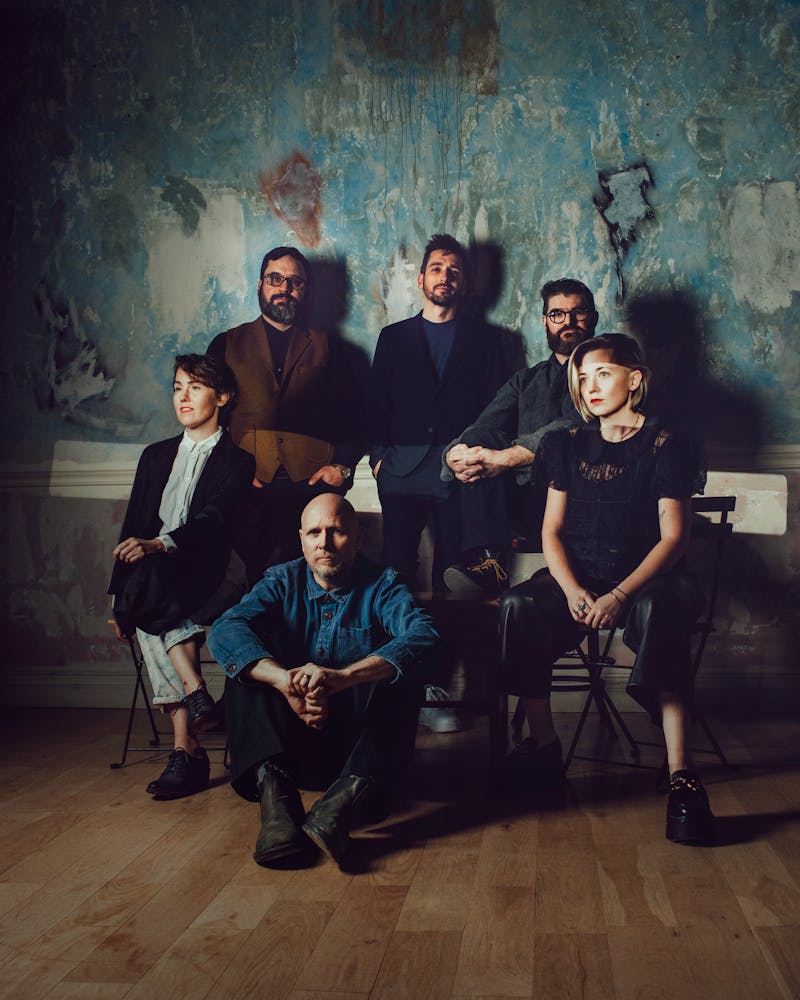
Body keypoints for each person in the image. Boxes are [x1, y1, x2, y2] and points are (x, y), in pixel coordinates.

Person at [498, 334, 714, 845]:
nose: (589, 386)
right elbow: (551, 532)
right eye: (582, 376)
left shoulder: (666, 441)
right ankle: (545, 747)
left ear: (634, 378)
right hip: (580, 579)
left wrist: (619, 595)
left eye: (602, 373)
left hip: (649, 580)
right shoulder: (565, 442)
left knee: (661, 609)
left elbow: (674, 537)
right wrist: (573, 590)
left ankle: (682, 772)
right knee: (517, 606)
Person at [207, 493, 440, 869]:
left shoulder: (383, 584)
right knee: (245, 669)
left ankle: (335, 811)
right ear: (301, 538)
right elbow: (225, 628)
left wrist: (344, 678)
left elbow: (424, 636)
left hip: (357, 759)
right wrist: (284, 681)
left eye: (337, 532)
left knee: (403, 673)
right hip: (288, 752)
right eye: (314, 532)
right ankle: (278, 810)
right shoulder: (281, 580)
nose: (324, 543)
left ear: (359, 537)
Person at [109, 354, 255, 799]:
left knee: (149, 590)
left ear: (223, 397)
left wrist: (160, 544)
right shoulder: (155, 456)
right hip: (159, 578)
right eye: (177, 387)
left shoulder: (238, 461)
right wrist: (117, 597)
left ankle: (187, 750)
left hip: (217, 570)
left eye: (195, 386)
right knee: (147, 585)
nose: (183, 397)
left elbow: (214, 521)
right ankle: (191, 715)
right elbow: (132, 526)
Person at [208, 246, 364, 582]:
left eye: (295, 282)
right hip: (246, 484)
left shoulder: (333, 348)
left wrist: (342, 467)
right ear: (260, 285)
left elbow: (357, 418)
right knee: (252, 575)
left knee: (307, 576)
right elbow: (210, 420)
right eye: (275, 279)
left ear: (306, 290)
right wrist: (228, 470)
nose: (284, 288)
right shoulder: (225, 343)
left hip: (310, 485)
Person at [369, 234, 509, 592]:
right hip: (402, 465)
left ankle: (454, 649)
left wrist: (477, 456)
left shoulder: (488, 341)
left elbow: (497, 407)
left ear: (463, 284)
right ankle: (394, 647)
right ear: (421, 279)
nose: (444, 276)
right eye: (436, 269)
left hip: (458, 468)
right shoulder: (393, 338)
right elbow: (376, 405)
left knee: (454, 571)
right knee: (395, 566)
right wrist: (378, 458)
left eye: (454, 271)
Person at [443, 278, 598, 593]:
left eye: (578, 313)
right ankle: (488, 561)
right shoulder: (525, 381)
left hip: (582, 500)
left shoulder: (607, 374)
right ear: (544, 322)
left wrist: (505, 458)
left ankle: (492, 567)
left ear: (592, 318)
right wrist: (455, 456)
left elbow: (577, 428)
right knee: (480, 433)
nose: (568, 322)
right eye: (557, 314)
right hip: (525, 502)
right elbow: (482, 426)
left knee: (532, 445)